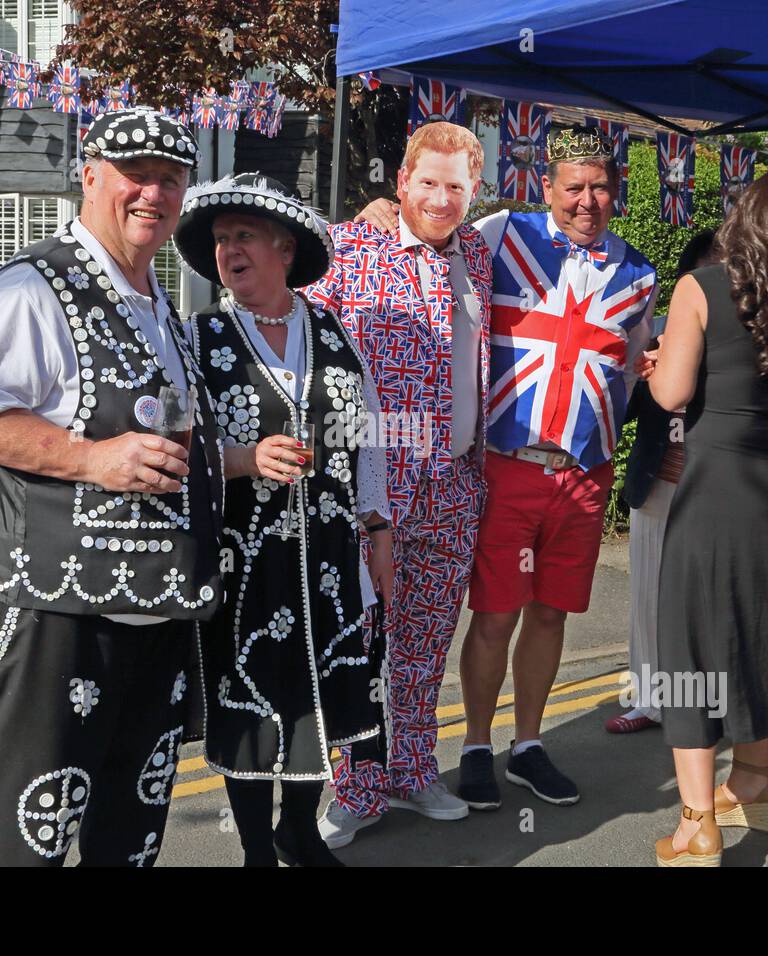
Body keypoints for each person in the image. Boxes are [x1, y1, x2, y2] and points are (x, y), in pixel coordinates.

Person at [0, 109, 224, 867]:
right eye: (136, 174)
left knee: (129, 832)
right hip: (60, 619)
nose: (152, 193)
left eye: (170, 179)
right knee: (27, 833)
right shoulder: (33, 287)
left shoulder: (161, 302)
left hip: (154, 614)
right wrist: (89, 460)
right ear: (90, 175)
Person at [354, 127, 657, 808]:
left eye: (600, 187)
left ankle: (528, 745)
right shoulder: (497, 234)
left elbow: (636, 370)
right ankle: (476, 746)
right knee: (493, 617)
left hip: (584, 473)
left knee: (551, 616)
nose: (587, 201)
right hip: (504, 465)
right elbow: (428, 227)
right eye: (573, 187)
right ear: (546, 186)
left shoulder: (639, 273)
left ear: (617, 192)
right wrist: (380, 206)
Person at [172, 172, 394, 866]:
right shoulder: (198, 337)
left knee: (318, 697)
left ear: (284, 249)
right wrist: (238, 459)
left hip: (328, 558)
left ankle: (298, 831)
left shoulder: (331, 330)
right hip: (247, 564)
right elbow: (174, 443)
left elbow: (368, 435)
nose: (228, 251)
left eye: (243, 237)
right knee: (250, 698)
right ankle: (255, 850)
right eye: (219, 241)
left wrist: (378, 528)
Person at [642, 172, 768, 866]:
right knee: (759, 623)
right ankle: (755, 780)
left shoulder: (700, 286)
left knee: (693, 639)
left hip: (718, 486)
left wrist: (655, 368)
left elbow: (672, 393)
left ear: (742, 218)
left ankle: (697, 822)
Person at [303, 121, 493, 846]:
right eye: (429, 182)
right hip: (371, 490)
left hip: (453, 483)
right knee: (361, 641)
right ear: (402, 181)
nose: (442, 198)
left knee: (424, 643)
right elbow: (301, 341)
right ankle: (355, 787)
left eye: (457, 186)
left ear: (473, 191)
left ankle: (414, 770)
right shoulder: (349, 247)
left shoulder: (478, 253)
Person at [609, 230, 716, 735]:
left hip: (712, 492)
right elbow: (626, 412)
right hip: (657, 485)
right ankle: (649, 699)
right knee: (648, 593)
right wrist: (640, 372)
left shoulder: (744, 346)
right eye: (705, 271)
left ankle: (707, 700)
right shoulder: (658, 338)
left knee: (709, 599)